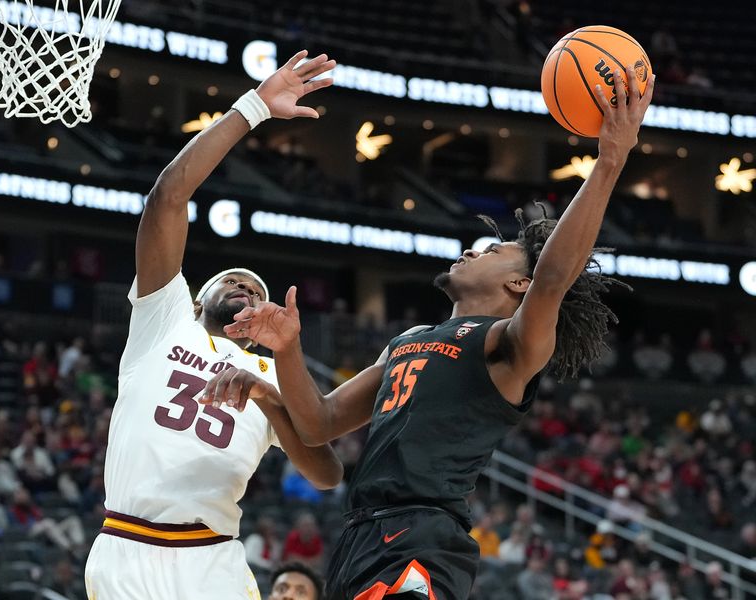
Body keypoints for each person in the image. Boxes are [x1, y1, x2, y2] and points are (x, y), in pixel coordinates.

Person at [220, 67, 655, 598]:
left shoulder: (507, 345)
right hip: (359, 535)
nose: (473, 249)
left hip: (424, 538)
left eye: (492, 251)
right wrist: (285, 355)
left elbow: (555, 278)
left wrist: (609, 161)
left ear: (520, 281)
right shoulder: (406, 340)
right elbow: (320, 424)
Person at [83, 50, 343, 600]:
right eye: (233, 281)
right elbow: (167, 199)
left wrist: (269, 396)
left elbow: (327, 475)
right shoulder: (163, 316)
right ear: (199, 297)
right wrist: (252, 108)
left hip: (212, 556)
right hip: (127, 548)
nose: (246, 288)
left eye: (256, 290)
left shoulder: (268, 372)